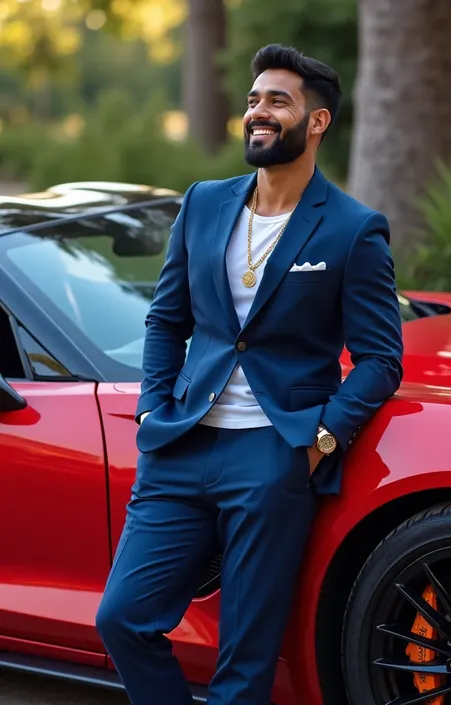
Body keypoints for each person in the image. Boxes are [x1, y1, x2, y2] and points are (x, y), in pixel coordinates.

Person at [96, 43, 403, 705]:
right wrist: (154, 405)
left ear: (316, 122)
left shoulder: (352, 228)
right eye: (253, 99)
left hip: (274, 454)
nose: (257, 112)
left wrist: (324, 437)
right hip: (181, 445)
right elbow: (165, 319)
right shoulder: (204, 204)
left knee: (246, 653)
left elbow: (381, 358)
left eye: (277, 101)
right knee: (120, 617)